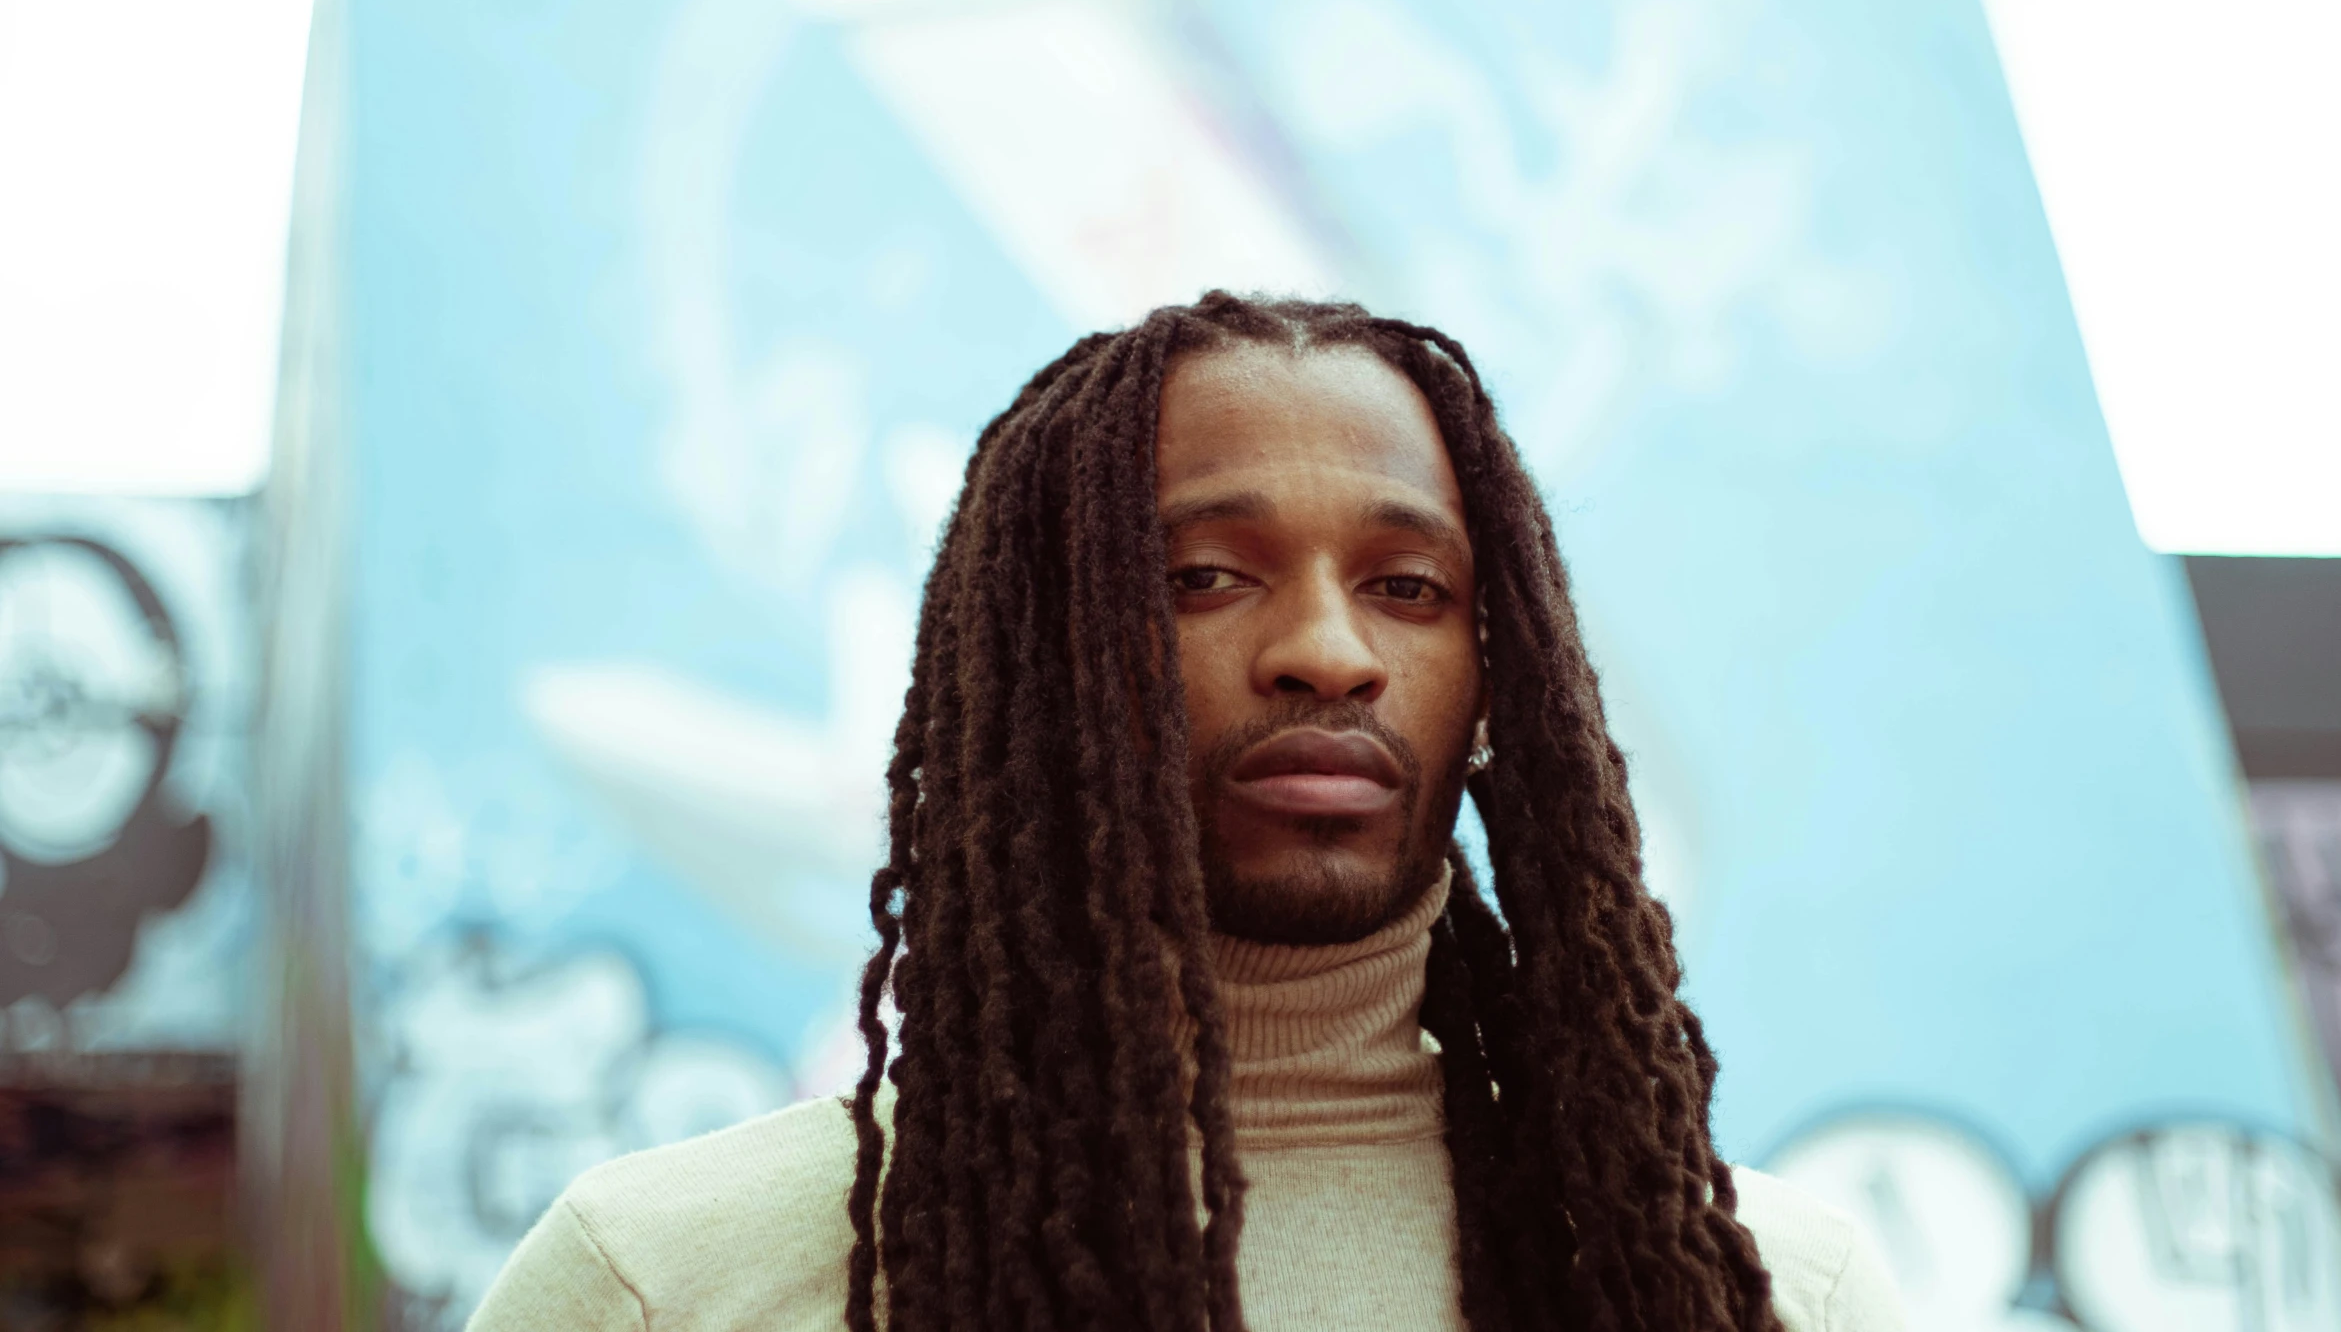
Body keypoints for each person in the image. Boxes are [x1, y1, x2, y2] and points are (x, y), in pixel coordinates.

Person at [470, 293, 1904, 1331]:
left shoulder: (1772, 1290)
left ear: (1498, 680)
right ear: (1037, 658)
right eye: (1205, 575)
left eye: (1409, 586)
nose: (1329, 650)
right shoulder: (662, 1279)